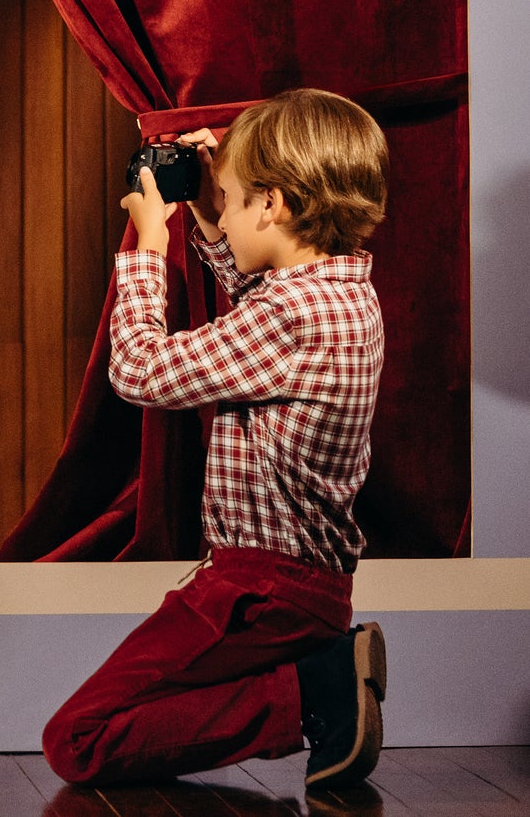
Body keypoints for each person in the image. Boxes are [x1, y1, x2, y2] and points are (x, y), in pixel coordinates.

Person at [42, 88, 391, 793]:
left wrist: (149, 242)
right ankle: (314, 680)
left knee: (75, 741)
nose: (222, 213)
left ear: (273, 204)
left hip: (256, 587)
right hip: (302, 583)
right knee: (109, 724)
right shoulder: (340, 292)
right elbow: (255, 307)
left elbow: (138, 370)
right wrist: (205, 210)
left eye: (231, 199)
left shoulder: (289, 315)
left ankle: (312, 692)